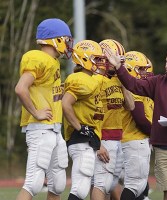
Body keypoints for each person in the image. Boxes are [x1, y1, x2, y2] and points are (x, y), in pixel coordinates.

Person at [105, 48, 167, 200]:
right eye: (166, 62)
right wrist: (119, 68)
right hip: (162, 146)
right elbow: (134, 85)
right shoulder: (158, 81)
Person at [15, 18, 72, 200]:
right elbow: (20, 88)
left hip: (54, 129)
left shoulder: (52, 61)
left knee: (57, 185)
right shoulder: (37, 58)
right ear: (55, 39)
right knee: (33, 183)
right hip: (40, 129)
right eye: (66, 39)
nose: (68, 44)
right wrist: (36, 112)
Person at [91, 39, 135, 200]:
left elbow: (131, 106)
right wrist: (97, 142)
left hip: (117, 138)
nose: (117, 63)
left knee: (110, 184)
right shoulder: (95, 80)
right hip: (103, 136)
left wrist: (123, 78)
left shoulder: (118, 78)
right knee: (100, 183)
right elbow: (87, 115)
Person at [62, 40, 105, 200]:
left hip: (87, 138)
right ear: (84, 58)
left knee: (83, 187)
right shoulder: (80, 79)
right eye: (97, 58)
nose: (100, 62)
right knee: (80, 188)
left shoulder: (90, 78)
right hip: (80, 138)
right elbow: (66, 104)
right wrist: (80, 127)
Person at [120, 51, 154, 200]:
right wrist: (159, 133)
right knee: (135, 185)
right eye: (141, 69)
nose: (145, 73)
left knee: (138, 185)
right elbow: (141, 120)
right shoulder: (133, 90)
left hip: (130, 140)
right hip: (134, 139)